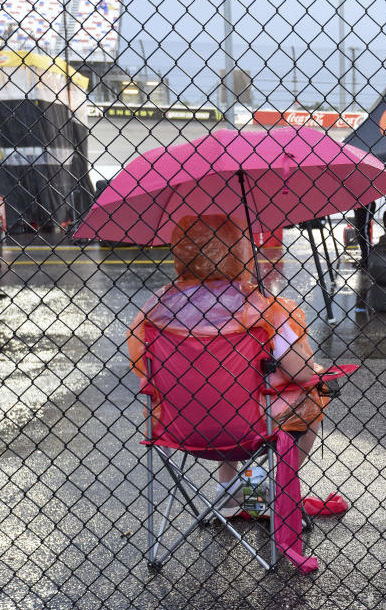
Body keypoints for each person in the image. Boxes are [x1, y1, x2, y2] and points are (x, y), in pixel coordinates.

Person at [127, 214, 327, 521]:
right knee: (312, 398)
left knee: (216, 387)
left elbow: (145, 368)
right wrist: (314, 368)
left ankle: (230, 493)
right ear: (240, 253)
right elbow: (301, 372)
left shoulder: (156, 308)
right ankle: (281, 491)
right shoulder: (261, 307)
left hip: (179, 425)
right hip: (252, 428)